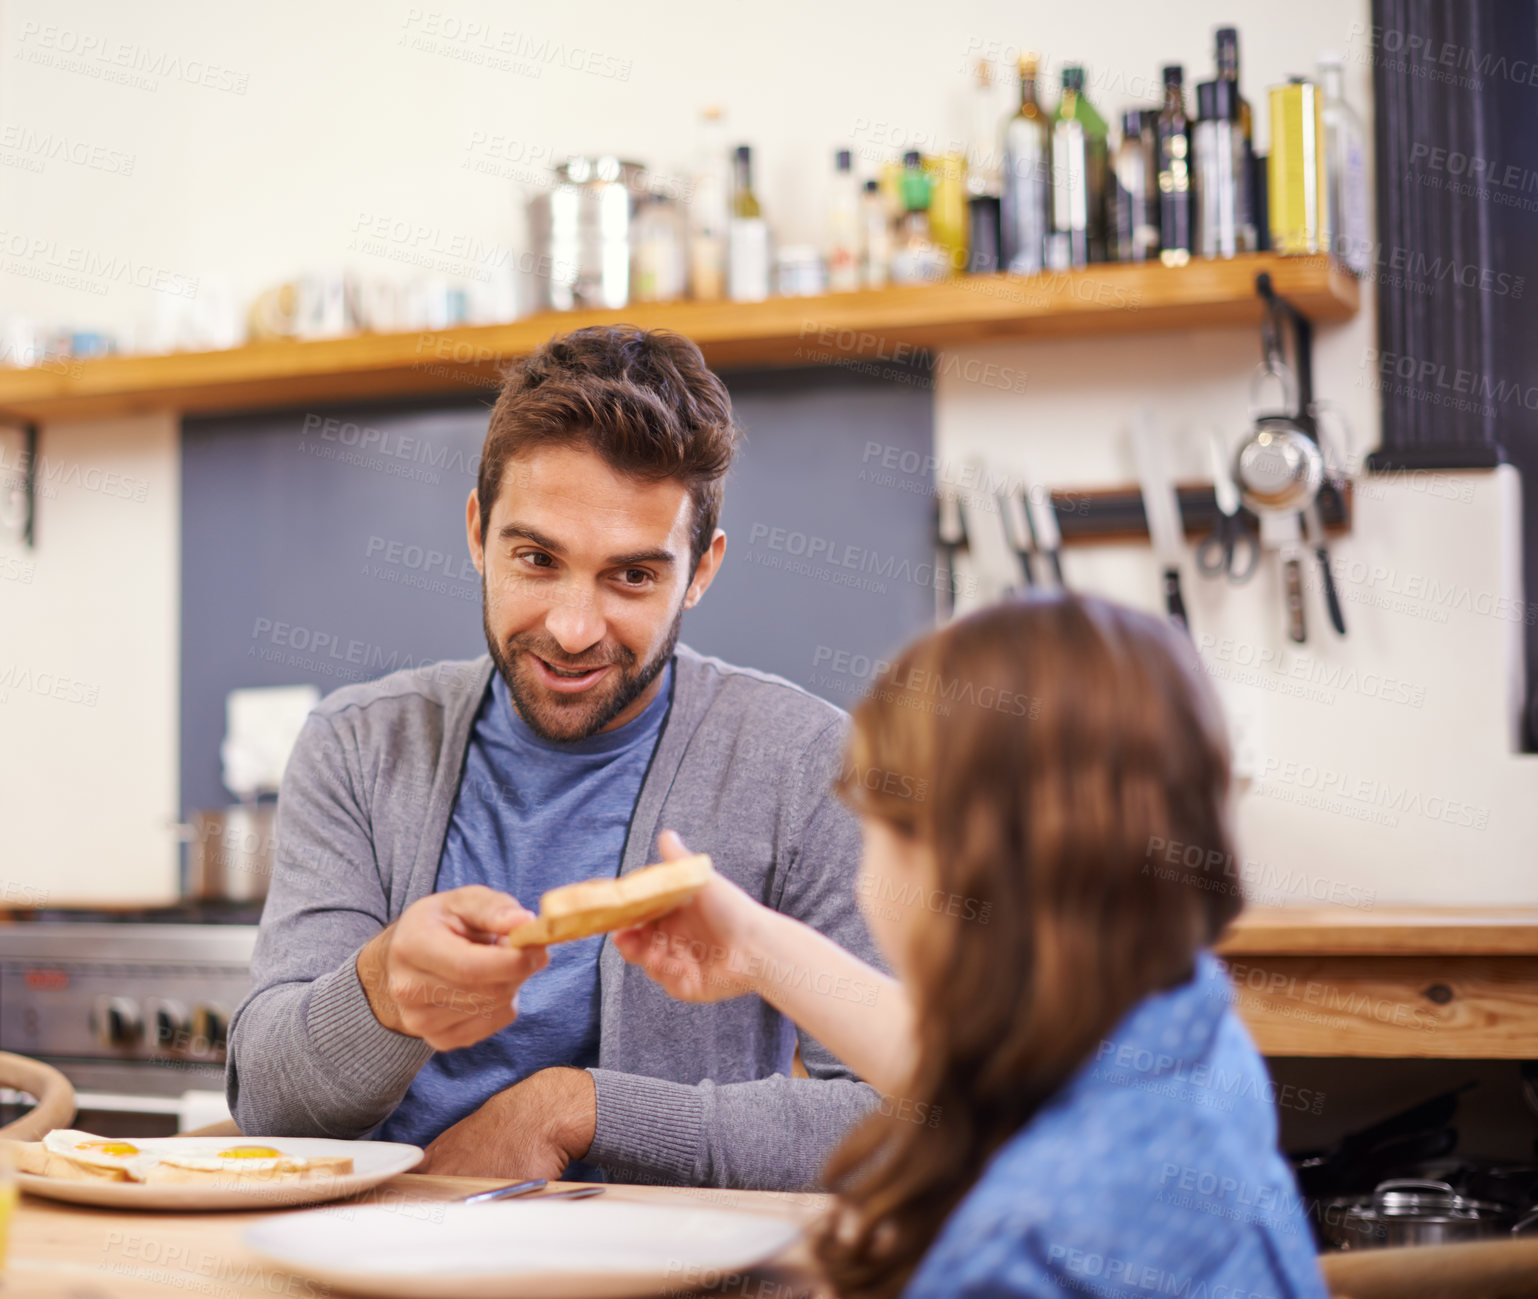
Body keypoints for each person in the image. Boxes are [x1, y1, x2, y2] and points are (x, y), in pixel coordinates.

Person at [226, 325, 883, 1190]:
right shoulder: (358, 743)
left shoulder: (807, 762)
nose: (574, 631)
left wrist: (576, 1107)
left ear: (700, 572)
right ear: (477, 533)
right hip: (385, 1268)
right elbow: (269, 1106)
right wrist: (382, 988)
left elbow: (900, 1113)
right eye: (536, 559)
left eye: (633, 577)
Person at [617, 595, 1329, 1298]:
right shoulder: (1188, 1031)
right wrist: (755, 943)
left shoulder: (1020, 1255)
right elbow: (980, 1075)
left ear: (954, 867)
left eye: (872, 821)